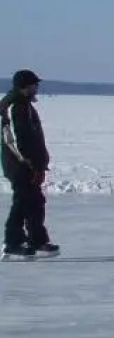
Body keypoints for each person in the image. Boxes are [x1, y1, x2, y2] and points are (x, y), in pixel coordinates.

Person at [2, 69, 57, 261]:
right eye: (34, 85)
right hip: (19, 165)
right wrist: (29, 163)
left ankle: (37, 240)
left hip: (31, 165)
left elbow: (33, 137)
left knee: (35, 202)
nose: (37, 88)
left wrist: (40, 164)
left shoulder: (24, 105)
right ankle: (12, 243)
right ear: (25, 86)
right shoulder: (12, 106)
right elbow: (13, 140)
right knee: (23, 202)